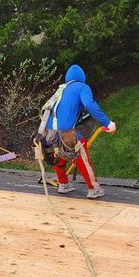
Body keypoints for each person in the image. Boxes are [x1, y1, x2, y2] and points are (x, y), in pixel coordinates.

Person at [37, 64, 116, 199]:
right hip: (66, 133)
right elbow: (89, 104)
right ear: (82, 77)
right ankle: (94, 188)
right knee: (81, 156)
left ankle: (63, 184)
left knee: (59, 155)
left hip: (46, 133)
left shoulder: (60, 89)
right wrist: (107, 123)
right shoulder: (82, 87)